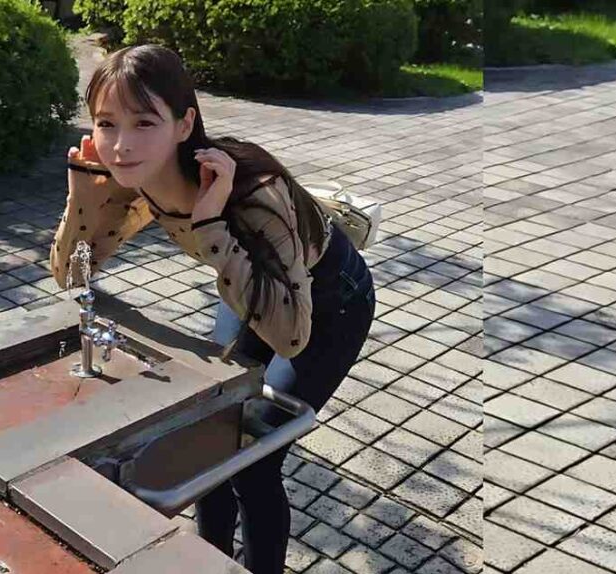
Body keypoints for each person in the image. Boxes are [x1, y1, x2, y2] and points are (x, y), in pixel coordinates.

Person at [50, 43, 375, 574]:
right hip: (248, 286)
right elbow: (73, 277)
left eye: (145, 122)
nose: (121, 145)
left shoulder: (252, 193)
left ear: (184, 124)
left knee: (253, 462)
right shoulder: (136, 177)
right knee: (210, 438)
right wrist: (84, 192)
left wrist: (210, 224)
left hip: (328, 299)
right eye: (106, 123)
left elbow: (290, 334)